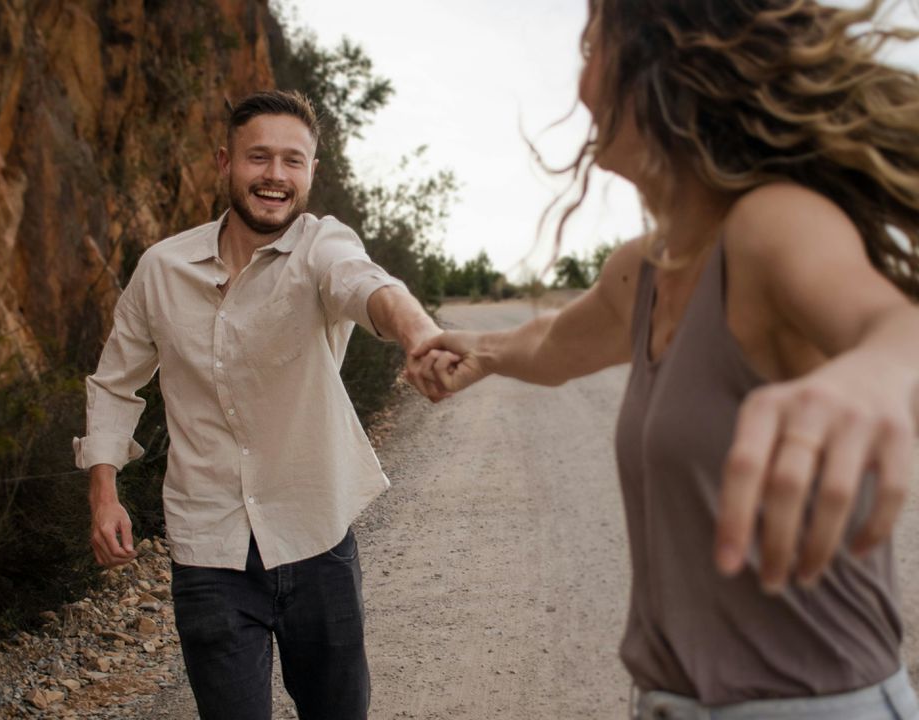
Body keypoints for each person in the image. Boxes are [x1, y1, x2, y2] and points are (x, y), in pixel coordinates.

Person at [414, 1, 919, 718]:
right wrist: (482, 350)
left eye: (593, 45)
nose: (582, 82)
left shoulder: (770, 226)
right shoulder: (645, 268)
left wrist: (874, 373)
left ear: (662, 63)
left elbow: (892, 323)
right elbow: (557, 344)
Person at [73, 90, 454, 720]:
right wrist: (104, 493)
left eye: (292, 161)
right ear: (225, 162)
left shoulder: (321, 248)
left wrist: (419, 334)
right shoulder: (162, 269)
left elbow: (368, 286)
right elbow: (115, 382)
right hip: (209, 549)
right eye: (259, 157)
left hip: (316, 535)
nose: (275, 175)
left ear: (310, 174)